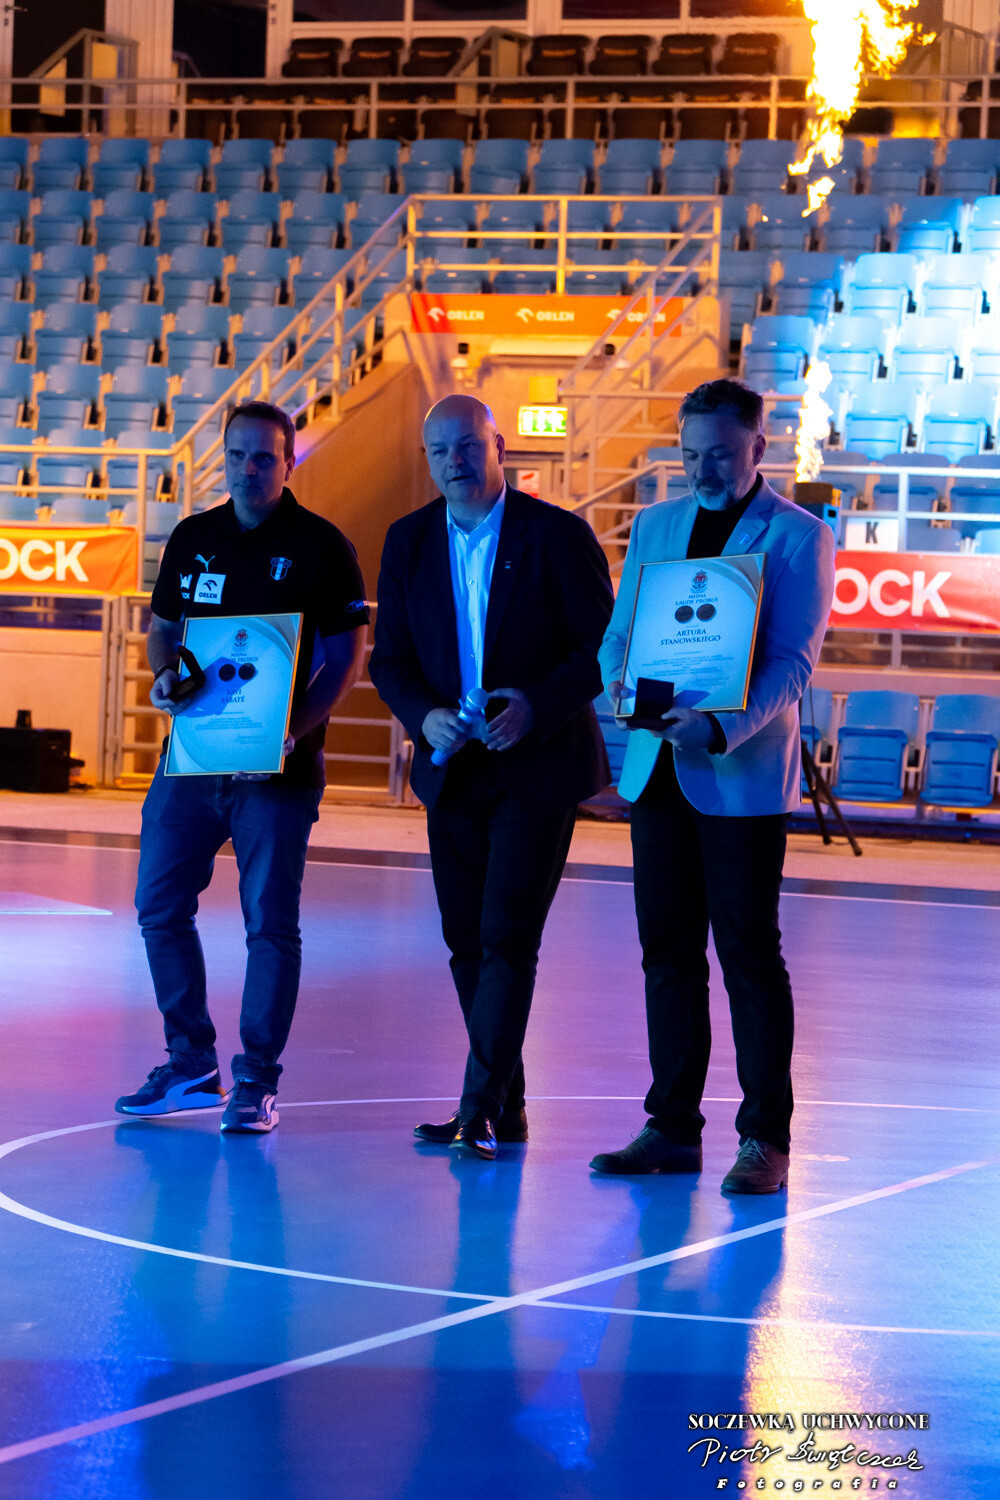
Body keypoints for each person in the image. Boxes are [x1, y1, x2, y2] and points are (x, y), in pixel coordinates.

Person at [591, 378, 836, 1193]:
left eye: (721, 455)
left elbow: (792, 664)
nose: (703, 470)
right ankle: (670, 1127)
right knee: (666, 955)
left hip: (740, 776)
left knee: (748, 957)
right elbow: (620, 635)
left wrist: (720, 729)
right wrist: (621, 687)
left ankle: (765, 1138)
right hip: (656, 768)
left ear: (758, 448)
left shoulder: (799, 536)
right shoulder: (656, 525)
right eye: (691, 454)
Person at [369, 394, 613, 1161]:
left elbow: (602, 648)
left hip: (536, 768)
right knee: (465, 940)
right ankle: (504, 1106)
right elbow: (389, 659)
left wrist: (536, 705)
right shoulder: (408, 541)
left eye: (469, 445)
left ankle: (477, 1107)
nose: (456, 461)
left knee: (507, 936)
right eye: (440, 450)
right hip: (453, 771)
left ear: (498, 446)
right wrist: (424, 716)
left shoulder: (558, 536)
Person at [116, 400, 368, 1133]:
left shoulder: (322, 546)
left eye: (264, 457)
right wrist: (165, 674)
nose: (248, 469)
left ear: (289, 463)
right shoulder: (194, 538)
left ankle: (257, 1080)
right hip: (193, 759)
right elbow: (164, 630)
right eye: (236, 456)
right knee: (159, 906)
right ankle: (191, 1063)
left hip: (277, 773)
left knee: (269, 924)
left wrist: (295, 730)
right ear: (222, 460)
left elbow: (347, 658)